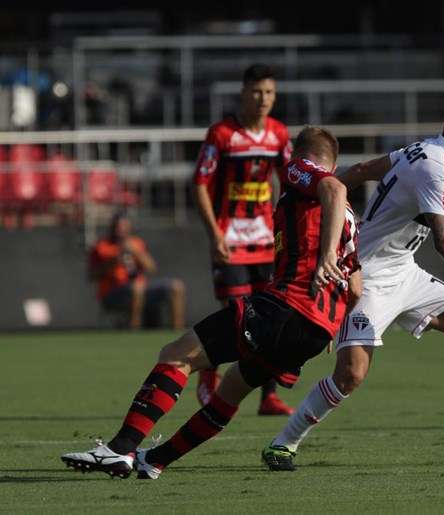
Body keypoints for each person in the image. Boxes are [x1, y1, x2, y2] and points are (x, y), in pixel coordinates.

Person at [262, 93, 444, 472]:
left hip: (404, 269)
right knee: (351, 374)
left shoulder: (422, 150)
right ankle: (282, 444)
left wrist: (331, 189)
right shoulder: (437, 166)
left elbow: (366, 168)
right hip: (367, 275)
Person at [61, 126, 361, 480]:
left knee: (177, 354)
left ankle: (119, 448)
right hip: (315, 331)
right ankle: (154, 460)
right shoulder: (350, 219)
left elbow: (333, 186)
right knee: (231, 389)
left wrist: (325, 254)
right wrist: (333, 326)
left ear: (299, 157)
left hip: (285, 308)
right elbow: (356, 288)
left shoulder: (305, 172)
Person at [192, 64, 293, 415]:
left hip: (267, 243)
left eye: (269, 93)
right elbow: (200, 184)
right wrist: (214, 233)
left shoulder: (279, 135)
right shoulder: (221, 134)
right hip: (230, 242)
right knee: (236, 317)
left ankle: (268, 397)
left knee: (269, 319)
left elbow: (291, 182)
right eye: (256, 91)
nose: (263, 99)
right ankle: (208, 375)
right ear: (243, 92)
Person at [88, 211, 185, 330]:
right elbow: (92, 275)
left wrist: (136, 252)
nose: (121, 230)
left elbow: (151, 268)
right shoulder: (102, 246)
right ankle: (134, 330)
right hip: (113, 292)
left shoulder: (136, 243)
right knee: (137, 288)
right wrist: (113, 261)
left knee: (176, 287)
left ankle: (177, 331)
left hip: (141, 288)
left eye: (124, 226)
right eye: (118, 226)